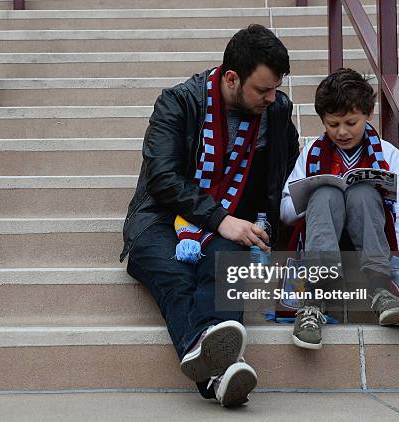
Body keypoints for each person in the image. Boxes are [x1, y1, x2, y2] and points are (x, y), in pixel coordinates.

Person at [119, 24, 299, 406]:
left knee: (227, 262)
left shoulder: (277, 111)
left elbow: (289, 166)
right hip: (161, 218)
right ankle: (223, 370)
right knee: (172, 271)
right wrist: (220, 219)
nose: (271, 97)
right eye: (262, 89)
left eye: (275, 89)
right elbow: (163, 177)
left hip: (230, 221)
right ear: (232, 78)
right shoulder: (178, 103)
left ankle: (216, 374)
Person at [280, 68, 399, 350]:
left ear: (368, 115)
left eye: (350, 122)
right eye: (332, 124)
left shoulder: (387, 153)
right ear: (322, 121)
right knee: (325, 194)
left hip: (371, 239)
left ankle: (380, 290)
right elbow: (285, 209)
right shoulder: (311, 153)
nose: (341, 132)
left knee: (364, 192)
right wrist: (308, 196)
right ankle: (313, 300)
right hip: (322, 236)